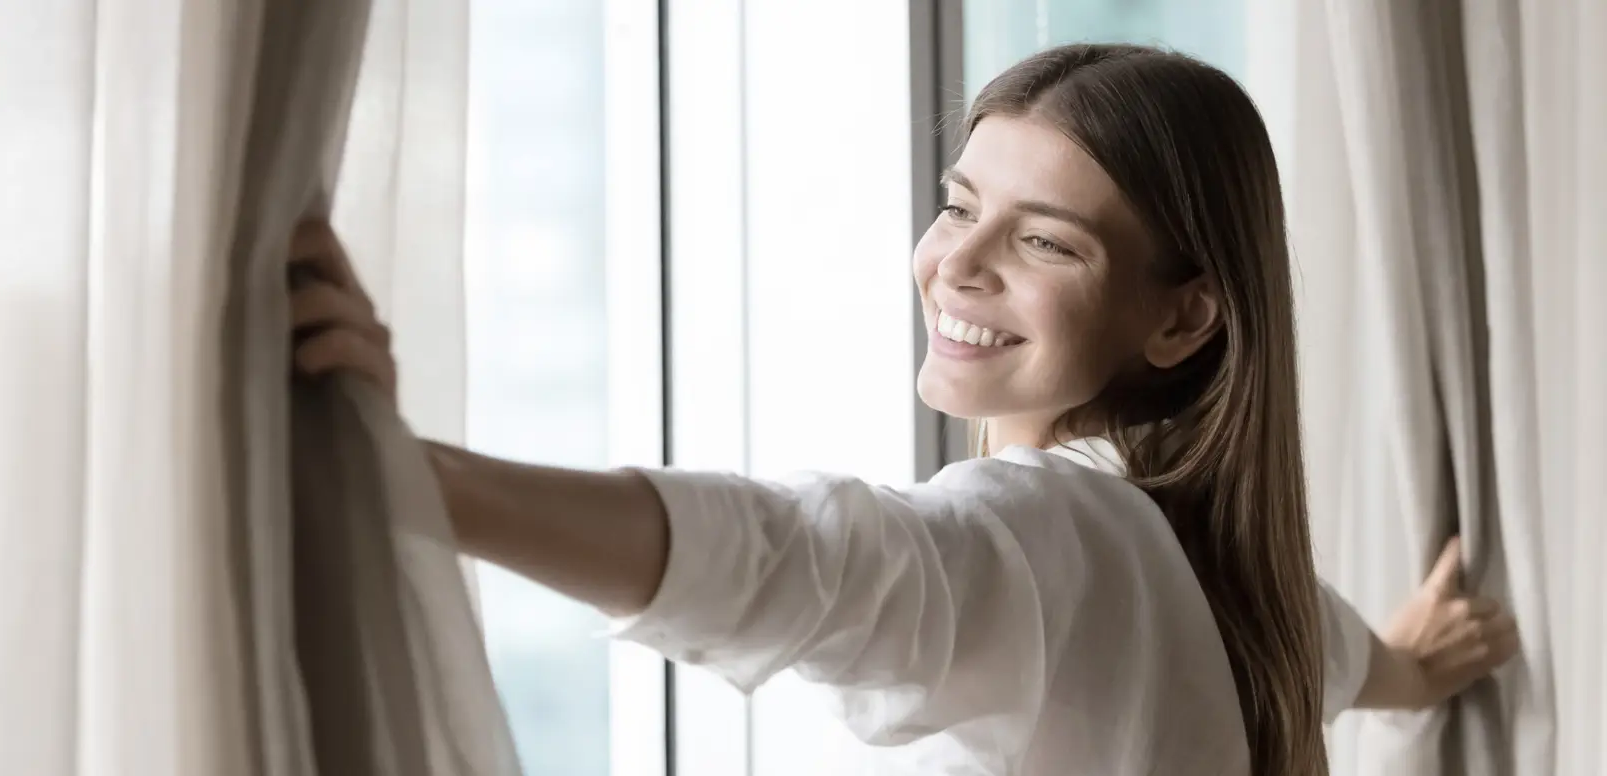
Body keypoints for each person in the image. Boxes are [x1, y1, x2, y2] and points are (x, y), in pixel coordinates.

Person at [288, 44, 1519, 775]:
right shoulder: (1240, 574)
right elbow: (1355, 656)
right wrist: (1414, 663)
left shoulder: (1052, 537)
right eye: (957, 200)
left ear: (1184, 317)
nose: (957, 262)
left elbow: (805, 558)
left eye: (1042, 240)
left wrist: (424, 479)